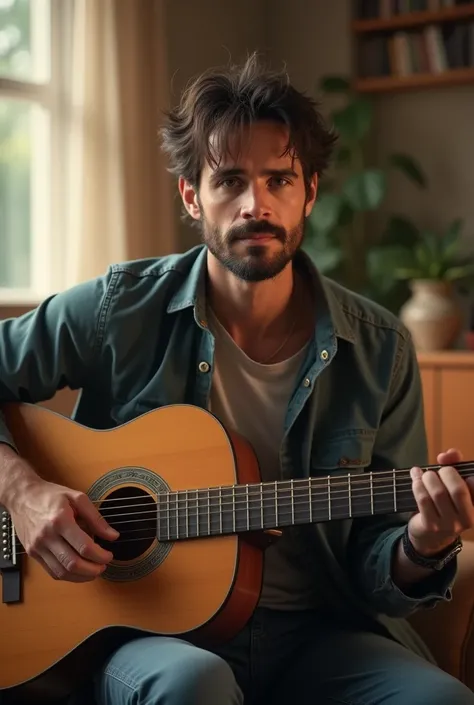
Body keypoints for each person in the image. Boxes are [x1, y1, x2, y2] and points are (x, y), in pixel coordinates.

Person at [0, 53, 473, 705]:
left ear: (309, 191)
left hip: (317, 632)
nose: (257, 204)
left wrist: (421, 544)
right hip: (146, 628)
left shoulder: (379, 346)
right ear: (192, 195)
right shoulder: (121, 307)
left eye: (279, 179)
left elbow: (378, 562)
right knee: (195, 682)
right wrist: (21, 490)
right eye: (230, 180)